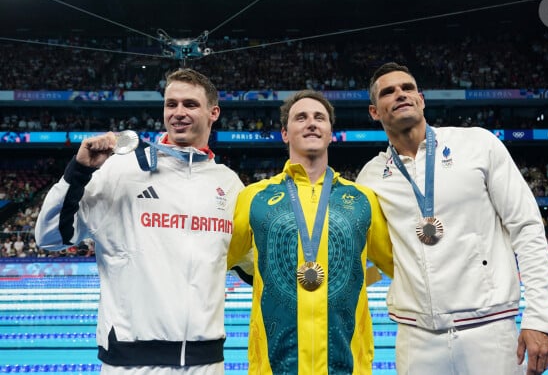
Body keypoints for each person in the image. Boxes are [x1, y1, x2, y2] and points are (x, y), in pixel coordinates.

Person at [35, 68, 245, 374]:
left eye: (190, 104)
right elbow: (50, 235)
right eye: (171, 104)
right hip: (131, 362)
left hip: (207, 363)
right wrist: (79, 171)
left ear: (214, 112)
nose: (178, 113)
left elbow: (251, 261)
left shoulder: (230, 184)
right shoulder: (121, 169)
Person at [356, 62, 548, 375]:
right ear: (374, 112)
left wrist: (540, 319)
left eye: (407, 88)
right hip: (415, 338)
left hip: (489, 330)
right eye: (388, 92)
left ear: (421, 100)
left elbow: (527, 227)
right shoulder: (370, 177)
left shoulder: (478, 145)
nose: (400, 94)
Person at [227, 90, 394, 374]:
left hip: (348, 365)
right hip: (273, 367)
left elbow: (398, 263)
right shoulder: (253, 197)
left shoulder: (363, 199)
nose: (311, 123)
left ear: (331, 133)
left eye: (320, 118)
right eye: (300, 117)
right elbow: (214, 260)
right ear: (285, 133)